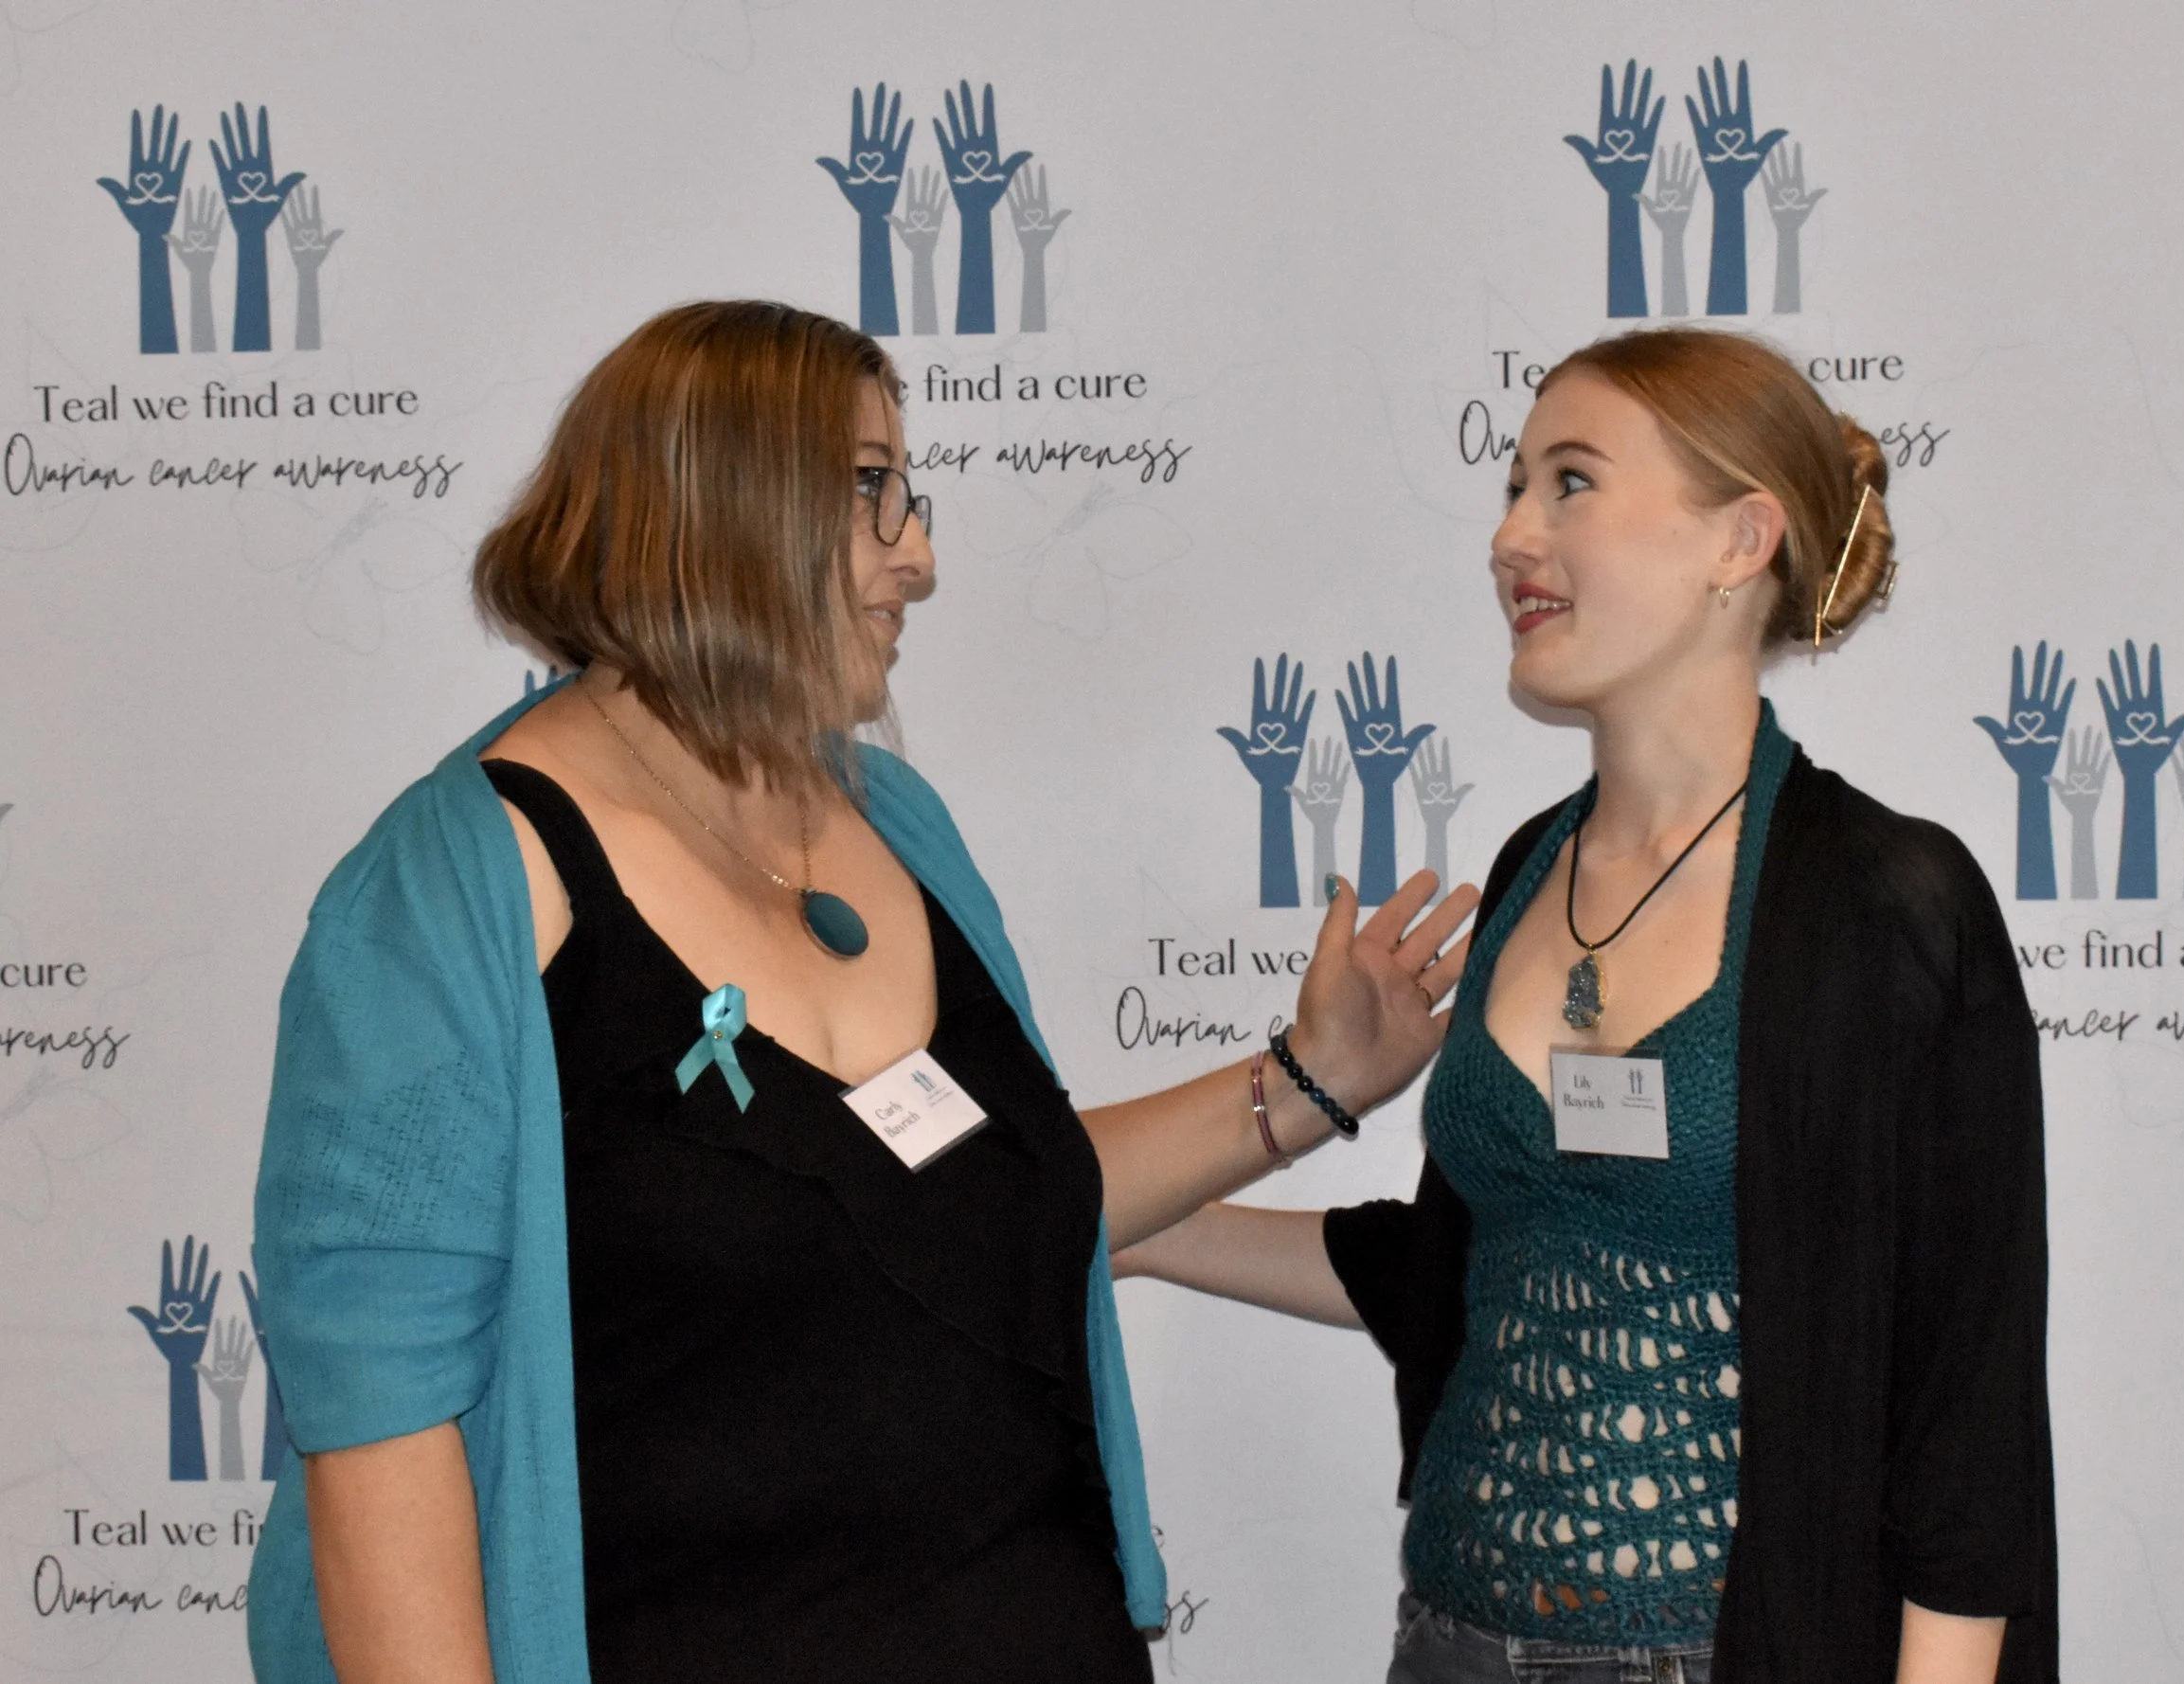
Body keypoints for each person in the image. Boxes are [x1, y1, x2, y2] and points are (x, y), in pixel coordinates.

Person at [246, 299, 1478, 1684]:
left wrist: (1307, 1081)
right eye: (871, 493)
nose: (922, 558)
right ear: (717, 503)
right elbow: (375, 1437)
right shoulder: (454, 892)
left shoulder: (894, 820)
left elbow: (990, 1193)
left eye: (913, 494)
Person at [1120, 328, 2057, 1684]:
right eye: (1510, 488)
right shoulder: (1522, 871)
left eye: (1569, 484)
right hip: (1448, 1647)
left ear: (1742, 539)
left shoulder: (1890, 904)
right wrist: (1146, 1224)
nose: (1510, 535)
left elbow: (1964, 1418)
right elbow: (1447, 1275)